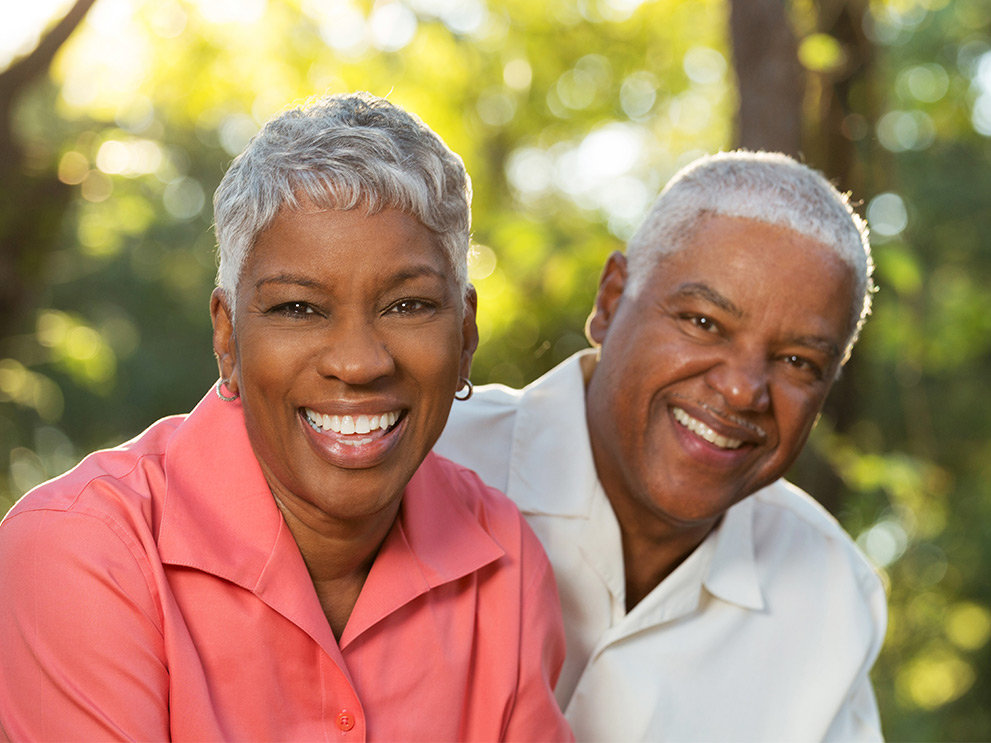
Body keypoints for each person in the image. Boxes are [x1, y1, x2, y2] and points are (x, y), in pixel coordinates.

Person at [0, 93, 573, 742]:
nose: (358, 363)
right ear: (227, 337)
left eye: (408, 305)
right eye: (299, 308)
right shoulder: (82, 552)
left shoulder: (503, 560)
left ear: (465, 335)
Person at [435, 150, 887, 742]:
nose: (741, 388)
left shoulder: (830, 594)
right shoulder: (425, 463)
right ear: (610, 300)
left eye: (798, 362)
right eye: (703, 322)